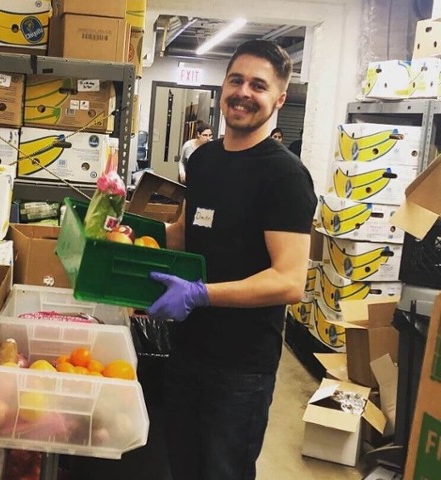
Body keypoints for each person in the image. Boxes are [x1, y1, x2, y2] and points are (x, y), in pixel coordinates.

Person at [147, 39, 317, 480]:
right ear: (223, 85)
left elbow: (289, 281)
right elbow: (186, 232)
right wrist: (128, 236)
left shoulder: (285, 176)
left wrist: (201, 294)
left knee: (222, 471)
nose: (243, 92)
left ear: (279, 99)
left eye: (258, 85)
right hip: (186, 350)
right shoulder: (203, 159)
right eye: (236, 80)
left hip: (240, 367)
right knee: (181, 465)